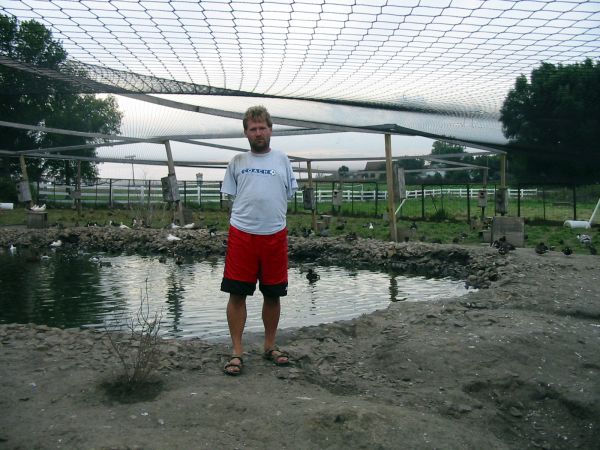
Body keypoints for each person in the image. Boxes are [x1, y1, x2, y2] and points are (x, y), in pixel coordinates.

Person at [220, 105, 298, 376]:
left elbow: (286, 195)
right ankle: (237, 351)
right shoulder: (237, 162)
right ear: (246, 133)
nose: (258, 132)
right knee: (237, 293)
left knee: (273, 294)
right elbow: (232, 197)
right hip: (242, 235)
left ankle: (269, 346)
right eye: (253, 129)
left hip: (275, 235)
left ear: (271, 129)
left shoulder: (282, 160)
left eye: (262, 127)